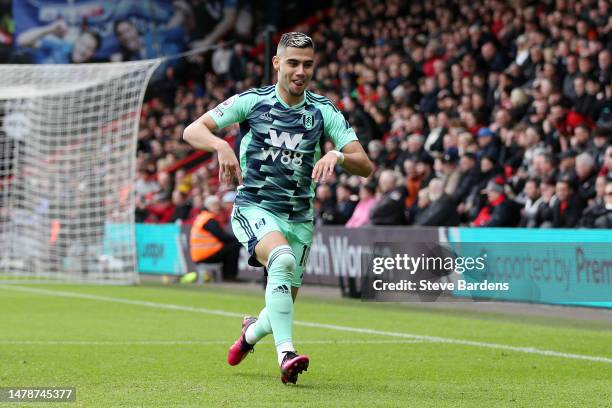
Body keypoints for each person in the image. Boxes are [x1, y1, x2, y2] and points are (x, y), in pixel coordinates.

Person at [183, 32, 373, 384]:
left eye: (308, 64)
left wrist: (338, 153)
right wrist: (221, 146)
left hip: (300, 218)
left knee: (278, 306)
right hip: (255, 207)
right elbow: (193, 130)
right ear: (277, 64)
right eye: (293, 63)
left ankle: (249, 334)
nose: (300, 71)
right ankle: (286, 354)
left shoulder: (322, 111)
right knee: (282, 261)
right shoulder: (252, 102)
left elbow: (365, 166)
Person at [190, 195, 241, 281]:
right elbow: (222, 236)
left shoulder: (202, 217)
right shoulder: (208, 220)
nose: (218, 207)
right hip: (206, 255)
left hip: (200, 255)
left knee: (229, 246)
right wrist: (239, 240)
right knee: (235, 245)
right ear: (209, 206)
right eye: (216, 205)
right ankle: (229, 276)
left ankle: (227, 275)